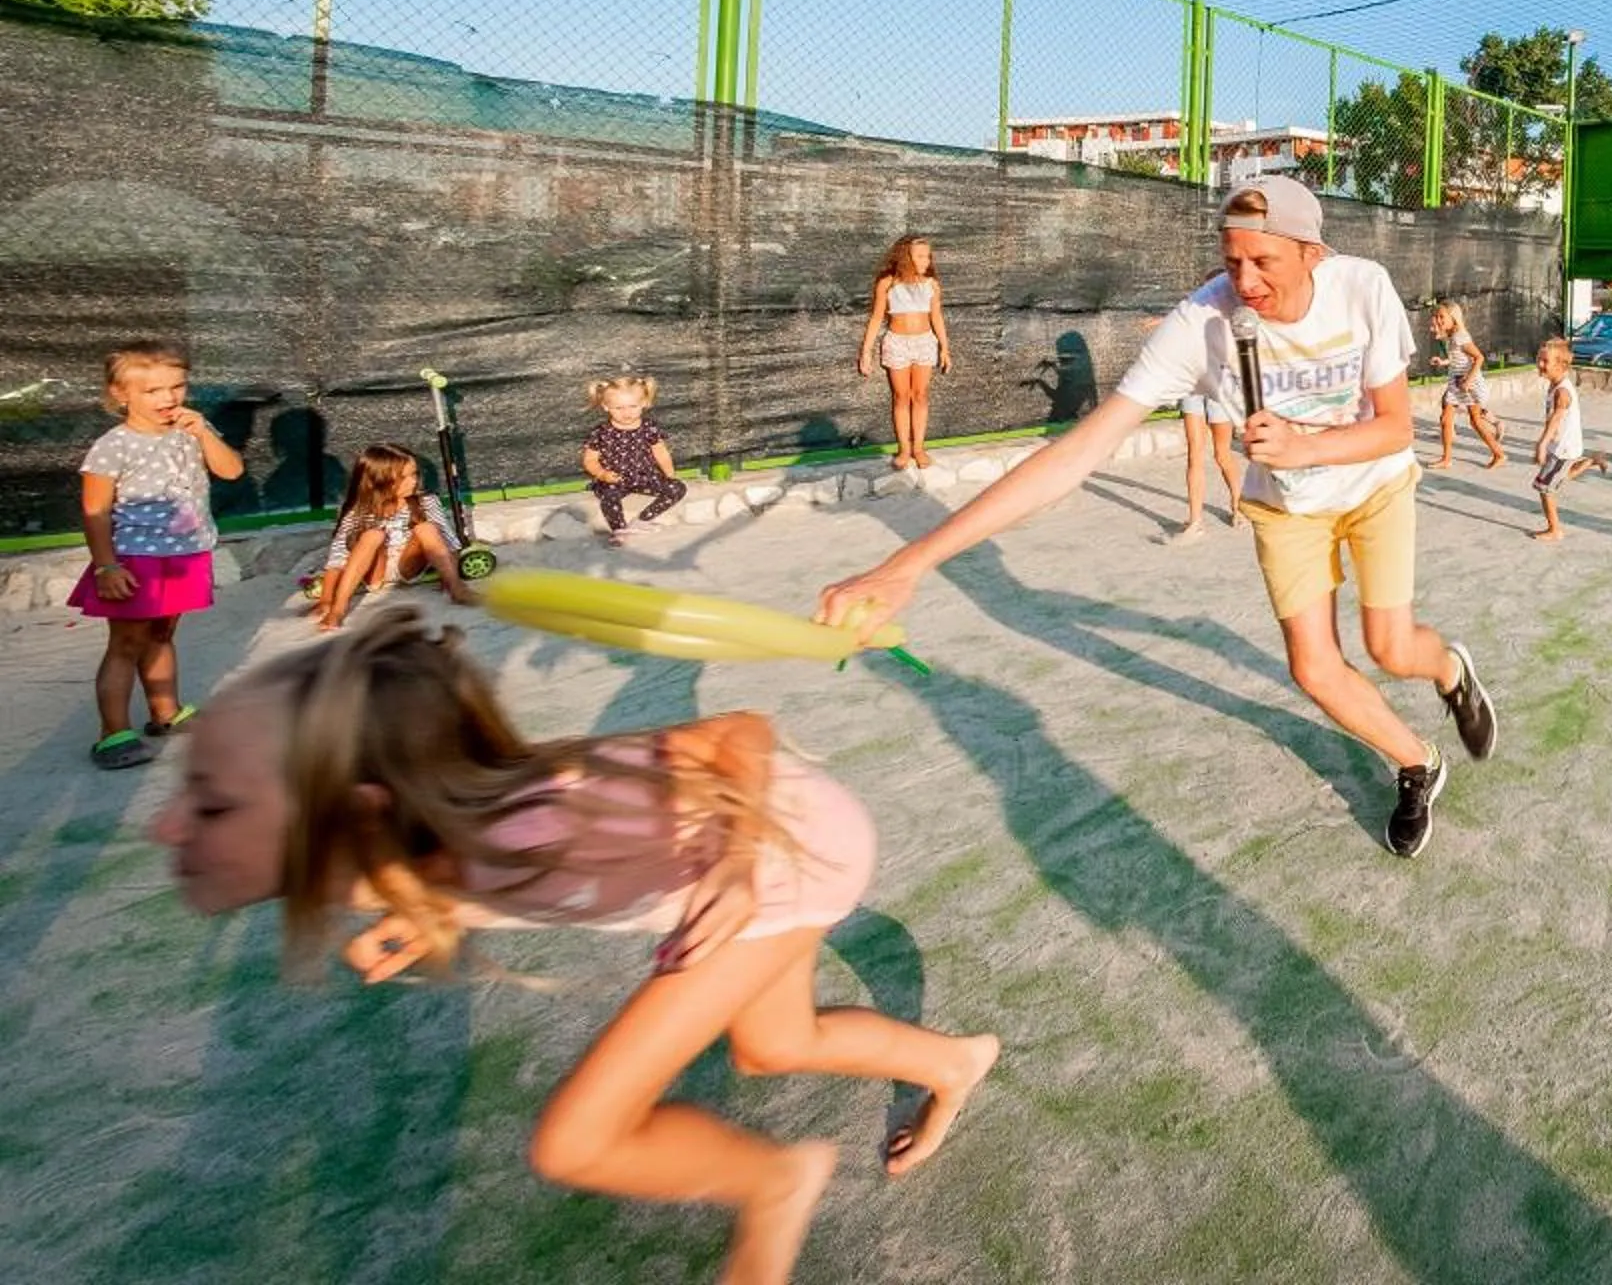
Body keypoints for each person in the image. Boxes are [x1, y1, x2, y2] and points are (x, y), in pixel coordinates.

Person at [149, 611, 999, 1285]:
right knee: (775, 1045)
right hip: (765, 846)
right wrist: (440, 916)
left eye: (215, 805)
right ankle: (957, 1062)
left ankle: (777, 1182)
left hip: (781, 852)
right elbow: (517, 886)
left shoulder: (545, 814)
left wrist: (737, 865)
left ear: (359, 811)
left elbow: (743, 729)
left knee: (577, 1140)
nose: (166, 825)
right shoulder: (414, 854)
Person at [814, 177, 1498, 860]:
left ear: (1312, 252)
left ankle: (1452, 674)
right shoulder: (1200, 322)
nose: (1245, 281)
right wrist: (910, 563)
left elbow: (1394, 430)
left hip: (1373, 485)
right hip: (1287, 507)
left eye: (1265, 263)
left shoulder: (1362, 286)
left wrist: (1306, 445)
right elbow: (1077, 453)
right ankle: (1417, 763)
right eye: (1232, 261)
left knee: (1389, 647)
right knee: (1314, 670)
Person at [71, 342, 244, 770]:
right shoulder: (113, 445)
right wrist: (106, 565)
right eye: (152, 391)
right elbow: (94, 511)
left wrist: (204, 431)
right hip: (135, 560)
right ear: (120, 394)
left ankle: (164, 714)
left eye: (177, 386)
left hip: (186, 554)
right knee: (126, 644)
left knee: (163, 634)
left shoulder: (190, 431)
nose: (168, 398)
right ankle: (112, 734)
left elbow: (232, 470)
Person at [310, 442, 474, 630]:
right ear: (379, 480)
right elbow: (337, 558)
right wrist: (327, 599)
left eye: (414, 474)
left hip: (409, 565)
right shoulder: (358, 510)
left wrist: (448, 577)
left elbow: (449, 542)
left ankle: (457, 590)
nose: (413, 481)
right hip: (374, 571)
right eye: (404, 477)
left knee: (426, 528)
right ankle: (339, 610)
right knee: (373, 535)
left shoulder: (426, 501)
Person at [856, 236, 954, 470]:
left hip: (924, 343)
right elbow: (877, 317)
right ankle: (904, 449)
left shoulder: (931, 285)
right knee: (901, 397)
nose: (926, 260)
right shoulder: (888, 283)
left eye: (928, 256)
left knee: (920, 395)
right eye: (920, 255)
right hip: (897, 343)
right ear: (906, 256)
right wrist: (866, 352)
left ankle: (919, 448)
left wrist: (945, 348)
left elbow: (936, 317)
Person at [583, 375, 687, 541]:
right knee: (609, 497)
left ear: (644, 403)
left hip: (645, 477)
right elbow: (589, 460)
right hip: (614, 480)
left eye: (633, 406)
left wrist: (669, 474)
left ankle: (642, 520)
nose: (627, 413)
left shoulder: (649, 427)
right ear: (605, 406)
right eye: (619, 408)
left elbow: (661, 452)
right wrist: (602, 474)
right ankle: (619, 530)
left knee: (678, 488)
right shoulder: (601, 432)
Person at [1528, 335, 1610, 542]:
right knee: (1558, 478)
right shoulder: (1555, 384)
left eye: (1545, 361)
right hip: (1564, 446)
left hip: (1562, 449)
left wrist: (1542, 443)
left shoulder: (1562, 391)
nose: (1540, 364)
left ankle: (1555, 529)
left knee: (1544, 487)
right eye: (1539, 358)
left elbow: (1556, 418)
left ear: (1562, 365)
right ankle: (1592, 461)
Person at [1427, 301, 1506, 470]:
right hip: (1456, 383)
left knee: (1476, 421)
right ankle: (1446, 458)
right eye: (1437, 316)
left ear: (1453, 317)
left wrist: (1469, 381)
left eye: (1442, 316)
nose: (1438, 320)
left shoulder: (1459, 336)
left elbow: (1479, 358)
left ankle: (1499, 454)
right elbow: (1458, 358)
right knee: (1445, 419)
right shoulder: (1451, 337)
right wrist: (1443, 362)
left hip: (1467, 384)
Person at [1171, 390, 1245, 542]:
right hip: (1192, 389)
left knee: (1222, 454)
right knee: (1194, 455)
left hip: (1218, 390)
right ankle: (1195, 521)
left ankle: (1238, 507)